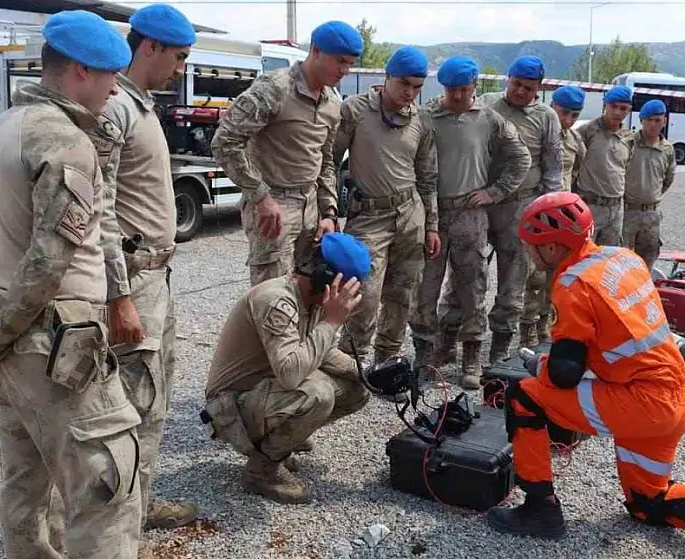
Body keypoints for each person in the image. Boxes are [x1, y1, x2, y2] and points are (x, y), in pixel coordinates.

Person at [0, 10, 143, 559]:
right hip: (59, 344)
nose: (116, 88)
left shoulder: (1, 130)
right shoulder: (65, 141)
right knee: (106, 485)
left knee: (25, 486)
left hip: (14, 353)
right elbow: (50, 259)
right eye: (111, 75)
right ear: (81, 71)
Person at [485, 191, 685, 559]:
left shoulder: (572, 284)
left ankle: (539, 509)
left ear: (554, 248)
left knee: (525, 395)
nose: (530, 253)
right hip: (674, 397)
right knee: (646, 504)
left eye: (534, 246)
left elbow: (563, 375)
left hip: (640, 403)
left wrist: (539, 366)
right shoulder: (622, 257)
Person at [85, 2, 197, 559]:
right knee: (131, 412)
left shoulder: (138, 106)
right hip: (133, 281)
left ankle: (139, 503)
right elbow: (99, 209)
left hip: (156, 277)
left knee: (151, 406)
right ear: (150, 45)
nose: (182, 68)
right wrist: (118, 295)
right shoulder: (115, 111)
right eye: (179, 56)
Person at [201, 232, 372, 504]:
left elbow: (322, 352)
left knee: (356, 388)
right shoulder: (276, 300)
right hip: (230, 406)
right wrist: (332, 322)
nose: (351, 300)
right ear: (327, 278)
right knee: (317, 394)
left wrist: (368, 375)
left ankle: (280, 441)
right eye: (349, 290)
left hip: (263, 389)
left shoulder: (313, 298)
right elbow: (291, 374)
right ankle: (262, 470)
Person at [407, 56, 530, 389]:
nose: (458, 96)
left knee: (472, 286)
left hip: (470, 214)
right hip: (432, 212)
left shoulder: (490, 120)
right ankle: (425, 357)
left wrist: (496, 192)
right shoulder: (427, 116)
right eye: (451, 90)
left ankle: (471, 358)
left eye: (463, 89)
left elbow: (521, 157)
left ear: (475, 87)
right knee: (425, 287)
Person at [212, 20, 362, 285]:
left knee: (311, 290)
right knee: (272, 298)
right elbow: (225, 142)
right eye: (340, 61)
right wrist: (260, 197)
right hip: (274, 206)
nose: (345, 70)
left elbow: (326, 159)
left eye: (350, 63)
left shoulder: (332, 102)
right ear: (316, 51)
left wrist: (328, 213)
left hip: (311, 206)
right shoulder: (274, 90)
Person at [445, 55, 562, 364]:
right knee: (466, 276)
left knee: (514, 282)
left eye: (528, 87)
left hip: (521, 208)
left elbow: (553, 169)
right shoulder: (486, 103)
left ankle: (499, 349)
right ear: (507, 80)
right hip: (479, 204)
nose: (520, 92)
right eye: (516, 84)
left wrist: (548, 214)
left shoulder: (546, 117)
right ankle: (451, 340)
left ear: (539, 88)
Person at [333, 46, 440, 365]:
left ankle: (387, 359)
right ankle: (351, 362)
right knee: (364, 294)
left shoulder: (422, 120)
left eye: (417, 87)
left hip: (410, 214)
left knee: (403, 292)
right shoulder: (355, 110)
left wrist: (432, 225)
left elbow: (428, 176)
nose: (410, 92)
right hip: (369, 216)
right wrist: (328, 210)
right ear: (387, 77)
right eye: (404, 83)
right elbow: (330, 160)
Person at [520, 84, 587, 349]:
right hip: (539, 216)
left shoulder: (575, 141)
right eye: (563, 113)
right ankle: (526, 327)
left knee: (558, 276)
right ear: (552, 107)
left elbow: (576, 175)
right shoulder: (537, 130)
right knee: (533, 275)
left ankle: (544, 324)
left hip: (564, 220)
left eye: (574, 115)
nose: (567, 120)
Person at [575, 85, 635, 246]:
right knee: (582, 255)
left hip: (615, 209)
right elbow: (573, 165)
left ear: (628, 110)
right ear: (605, 105)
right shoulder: (587, 131)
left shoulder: (629, 138)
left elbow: (626, 169)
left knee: (608, 258)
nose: (617, 112)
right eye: (613, 106)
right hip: (590, 206)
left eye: (623, 108)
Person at [622, 99, 676, 270]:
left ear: (664, 121)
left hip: (651, 215)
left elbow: (667, 179)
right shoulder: (629, 143)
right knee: (620, 260)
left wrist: (652, 196)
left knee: (647, 260)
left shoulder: (667, 149)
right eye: (649, 120)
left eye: (657, 120)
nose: (653, 124)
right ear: (641, 121)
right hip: (627, 211)